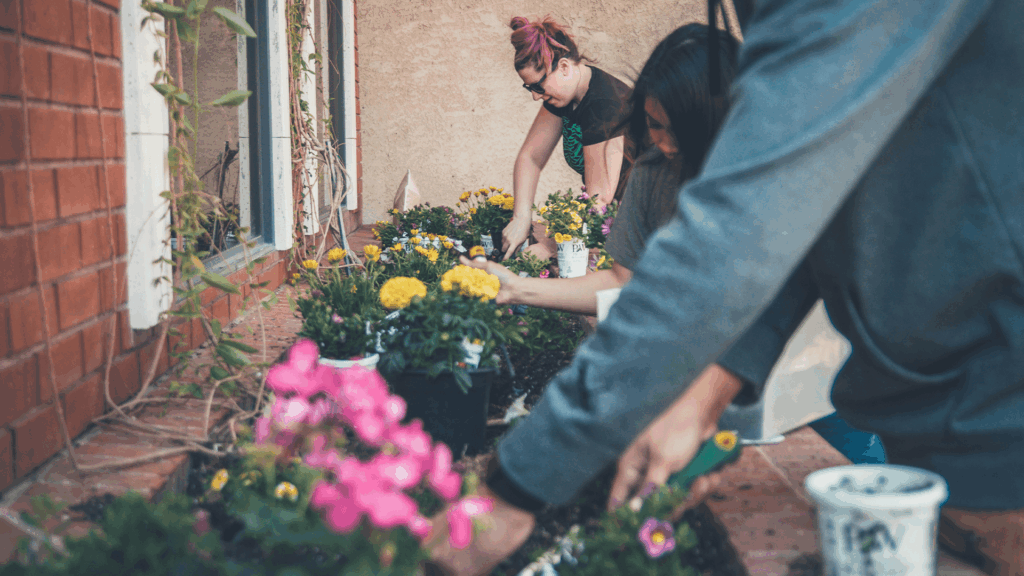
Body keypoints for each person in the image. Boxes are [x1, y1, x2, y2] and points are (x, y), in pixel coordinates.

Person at [429, 0, 1024, 574]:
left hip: (993, 417)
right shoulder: (669, 150)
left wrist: (518, 487)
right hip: (935, 422)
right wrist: (705, 393)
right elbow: (794, 230)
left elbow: (750, 224)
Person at [470, 22, 886, 466]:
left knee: (858, 466)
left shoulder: (776, 172)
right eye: (652, 126)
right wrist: (517, 288)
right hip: (719, 383)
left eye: (675, 130)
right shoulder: (651, 172)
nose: (662, 144)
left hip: (816, 375)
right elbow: (621, 281)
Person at [501, 16, 634, 260]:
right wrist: (521, 218)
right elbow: (531, 157)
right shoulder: (566, 96)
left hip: (645, 223)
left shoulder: (604, 106)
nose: (535, 97)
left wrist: (549, 247)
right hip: (614, 222)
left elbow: (599, 202)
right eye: (529, 88)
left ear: (563, 67)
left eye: (538, 86)